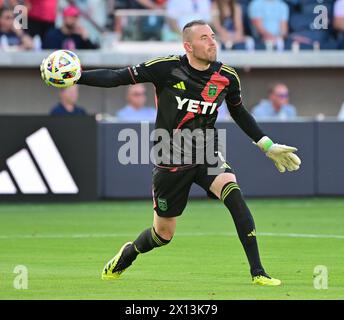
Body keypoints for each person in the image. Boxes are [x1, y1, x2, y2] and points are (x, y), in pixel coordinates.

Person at [43, 20, 301, 286]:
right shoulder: (166, 68)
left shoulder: (227, 77)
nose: (212, 41)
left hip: (205, 152)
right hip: (170, 158)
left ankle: (258, 272)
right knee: (162, 235)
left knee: (234, 195)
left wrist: (266, 145)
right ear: (188, 46)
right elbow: (118, 77)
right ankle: (128, 254)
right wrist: (79, 76)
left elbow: (238, 111)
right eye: (204, 37)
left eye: (212, 36)